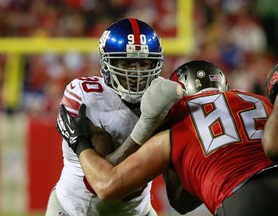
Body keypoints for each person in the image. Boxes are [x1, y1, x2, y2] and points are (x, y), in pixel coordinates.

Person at [57, 60, 278, 216]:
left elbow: (106, 186)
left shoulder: (177, 127)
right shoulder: (261, 100)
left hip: (244, 199)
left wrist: (79, 142)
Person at [45, 18, 164, 216]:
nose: (137, 72)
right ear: (108, 63)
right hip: (75, 210)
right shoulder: (86, 97)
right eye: (127, 63)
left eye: (144, 63)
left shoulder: (164, 97)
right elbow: (106, 180)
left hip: (138, 211)